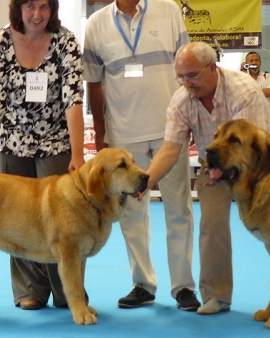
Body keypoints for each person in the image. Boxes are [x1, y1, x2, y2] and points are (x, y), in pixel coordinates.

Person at [142, 42, 270, 316]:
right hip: (213, 172)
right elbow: (169, 150)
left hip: (259, 169)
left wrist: (228, 170)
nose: (186, 83)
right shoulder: (181, 101)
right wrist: (145, 181)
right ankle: (217, 296)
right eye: (181, 77)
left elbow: (255, 149)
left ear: (212, 68)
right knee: (211, 227)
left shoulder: (244, 91)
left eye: (192, 75)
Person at [83, 0, 200, 311]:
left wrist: (188, 118)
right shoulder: (95, 23)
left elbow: (187, 71)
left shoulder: (170, 11)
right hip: (122, 136)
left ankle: (184, 287)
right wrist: (100, 131)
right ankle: (143, 284)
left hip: (170, 131)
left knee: (180, 210)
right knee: (132, 216)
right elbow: (93, 83)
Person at [0, 0, 85, 311]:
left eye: (44, 7)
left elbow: (73, 100)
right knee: (18, 220)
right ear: (18, 9)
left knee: (63, 223)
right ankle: (29, 291)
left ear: (52, 9)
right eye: (29, 7)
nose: (37, 15)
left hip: (56, 143)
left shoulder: (66, 41)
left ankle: (68, 292)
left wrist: (77, 154)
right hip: (12, 143)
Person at [244, 51, 270, 117]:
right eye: (251, 61)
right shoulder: (242, 78)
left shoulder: (267, 76)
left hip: (267, 119)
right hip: (248, 120)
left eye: (256, 60)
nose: (254, 63)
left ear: (260, 63)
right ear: (246, 64)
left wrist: (250, 93)